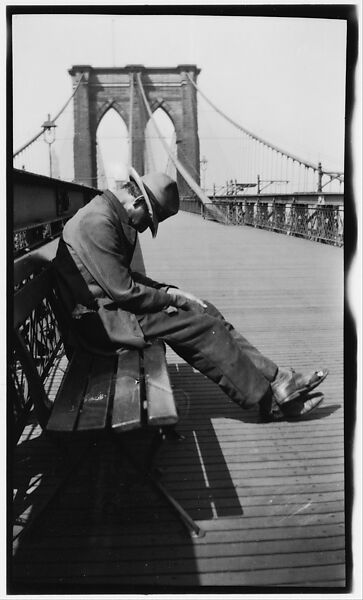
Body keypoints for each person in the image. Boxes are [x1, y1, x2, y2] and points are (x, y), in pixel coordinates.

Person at [53, 167, 328, 422]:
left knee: (204, 309)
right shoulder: (98, 222)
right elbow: (125, 290)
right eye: (150, 220)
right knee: (201, 327)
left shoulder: (109, 214)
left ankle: (279, 378)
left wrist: (170, 290)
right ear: (137, 201)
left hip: (114, 311)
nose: (145, 228)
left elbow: (121, 279)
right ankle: (269, 403)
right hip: (101, 324)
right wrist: (172, 298)